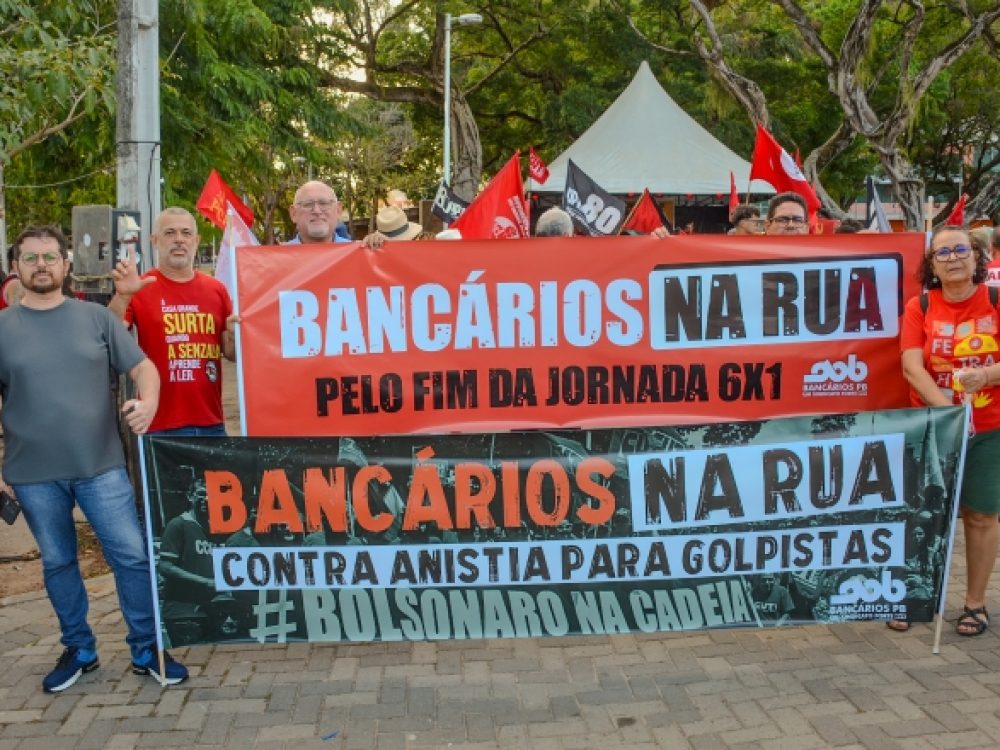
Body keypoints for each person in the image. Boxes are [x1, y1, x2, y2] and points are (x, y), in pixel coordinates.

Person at [0, 225, 188, 692]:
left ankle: (148, 648)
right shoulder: (2, 329)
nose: (41, 265)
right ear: (15, 268)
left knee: (130, 556)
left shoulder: (96, 319)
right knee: (59, 562)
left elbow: (143, 367)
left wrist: (147, 403)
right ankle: (79, 650)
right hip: (32, 474)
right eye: (30, 258)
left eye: (49, 256)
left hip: (101, 467)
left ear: (66, 265)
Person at [898, 225, 1000, 636]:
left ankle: (974, 604)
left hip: (989, 429)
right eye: (943, 252)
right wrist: (946, 413)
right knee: (922, 515)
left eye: (962, 249)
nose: (953, 257)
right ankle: (911, 597)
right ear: (932, 265)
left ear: (977, 258)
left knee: (980, 516)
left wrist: (990, 374)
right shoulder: (920, 305)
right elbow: (911, 366)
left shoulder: (995, 300)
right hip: (933, 426)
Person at [110, 207, 237, 435]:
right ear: (155, 241)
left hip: (212, 423)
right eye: (170, 233)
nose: (179, 240)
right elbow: (109, 335)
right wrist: (122, 297)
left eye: (186, 233)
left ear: (196, 241)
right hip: (159, 424)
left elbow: (231, 353)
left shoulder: (216, 289)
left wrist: (235, 336)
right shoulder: (140, 286)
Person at [286, 180, 351, 244]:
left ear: (338, 210)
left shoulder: (358, 253)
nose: (317, 211)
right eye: (308, 204)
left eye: (324, 203)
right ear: (293, 213)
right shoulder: (280, 254)